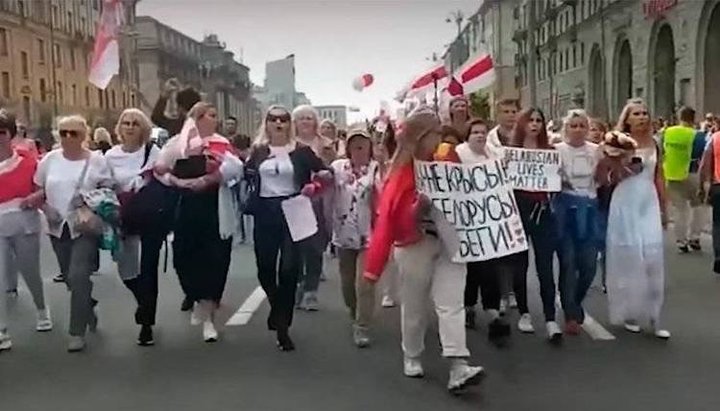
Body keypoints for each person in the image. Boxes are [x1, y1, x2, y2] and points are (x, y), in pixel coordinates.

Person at [364, 106, 484, 394]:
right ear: (420, 137)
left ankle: (458, 365)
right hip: (415, 245)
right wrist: (417, 210)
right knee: (415, 305)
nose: (440, 139)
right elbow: (390, 219)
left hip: (450, 243)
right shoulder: (400, 172)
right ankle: (412, 353)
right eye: (435, 134)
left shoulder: (447, 158)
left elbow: (468, 194)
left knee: (450, 303)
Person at [154, 102, 243, 343]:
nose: (214, 119)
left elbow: (237, 170)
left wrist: (214, 176)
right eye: (209, 115)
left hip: (214, 206)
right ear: (196, 117)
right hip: (185, 206)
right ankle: (195, 297)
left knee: (215, 259)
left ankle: (208, 317)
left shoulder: (221, 143)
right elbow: (159, 170)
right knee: (183, 256)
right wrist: (176, 181)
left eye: (215, 115)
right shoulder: (178, 142)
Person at [244, 105, 329, 351]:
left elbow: (325, 172)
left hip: (293, 208)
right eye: (273, 119)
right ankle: (277, 305)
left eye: (283, 119)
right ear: (267, 123)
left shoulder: (301, 151)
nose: (278, 123)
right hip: (265, 211)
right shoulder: (259, 151)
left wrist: (314, 185)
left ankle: (283, 326)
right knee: (265, 268)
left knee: (290, 269)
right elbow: (246, 174)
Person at [35, 115, 114, 352]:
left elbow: (108, 188)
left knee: (79, 275)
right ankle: (87, 307)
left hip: (84, 227)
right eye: (63, 133)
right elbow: (38, 189)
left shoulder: (96, 161)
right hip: (56, 227)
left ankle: (76, 332)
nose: (68, 138)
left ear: (84, 136)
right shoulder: (49, 160)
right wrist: (46, 207)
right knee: (70, 279)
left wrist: (89, 207)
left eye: (74, 133)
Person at [600, 99, 670, 339]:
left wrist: (664, 208)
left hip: (647, 201)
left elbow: (659, 175)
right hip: (625, 200)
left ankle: (654, 313)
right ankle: (629, 311)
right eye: (636, 114)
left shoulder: (656, 143)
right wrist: (622, 163)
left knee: (652, 254)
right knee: (630, 256)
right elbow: (608, 176)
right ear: (627, 119)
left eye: (645, 113)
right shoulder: (616, 142)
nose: (642, 117)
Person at [105, 109, 163, 346]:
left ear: (143, 129)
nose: (130, 127)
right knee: (127, 270)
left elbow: (160, 176)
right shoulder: (109, 156)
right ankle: (142, 300)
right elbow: (104, 183)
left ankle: (147, 322)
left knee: (148, 268)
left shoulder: (152, 151)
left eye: (135, 124)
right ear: (120, 128)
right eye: (126, 123)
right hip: (122, 217)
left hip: (150, 216)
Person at [0, 109, 52, 352]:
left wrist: (34, 198)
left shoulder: (28, 161)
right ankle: (2, 329)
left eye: (2, 132)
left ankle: (42, 309)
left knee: (30, 272)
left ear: (10, 134)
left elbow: (43, 190)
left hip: (24, 223)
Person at [457, 118, 513, 342]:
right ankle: (468, 307)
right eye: (475, 132)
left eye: (482, 132)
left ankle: (491, 311)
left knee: (490, 267)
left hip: (490, 221)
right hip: (468, 221)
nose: (480, 136)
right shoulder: (459, 154)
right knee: (472, 269)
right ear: (468, 136)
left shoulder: (493, 154)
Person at [508, 108, 560, 341]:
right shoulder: (511, 153)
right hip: (519, 210)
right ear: (522, 124)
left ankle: (550, 318)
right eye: (530, 120)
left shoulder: (550, 151)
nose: (535, 124)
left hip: (543, 211)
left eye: (539, 120)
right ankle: (524, 312)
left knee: (545, 266)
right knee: (519, 265)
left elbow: (558, 183)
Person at [553, 109, 601, 335]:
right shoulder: (556, 150)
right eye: (573, 125)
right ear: (566, 129)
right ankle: (570, 314)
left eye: (582, 125)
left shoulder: (597, 150)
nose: (578, 129)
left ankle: (575, 300)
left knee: (589, 265)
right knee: (568, 262)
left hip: (590, 209)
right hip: (565, 210)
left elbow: (602, 179)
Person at [330, 126, 377, 348]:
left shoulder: (377, 169)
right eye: (354, 142)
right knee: (348, 285)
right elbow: (323, 185)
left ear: (370, 146)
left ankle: (362, 326)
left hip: (370, 235)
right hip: (343, 234)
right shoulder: (338, 168)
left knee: (364, 283)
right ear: (348, 146)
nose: (359, 146)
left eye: (363, 142)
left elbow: (385, 194)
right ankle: (354, 311)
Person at [292, 105, 335, 310]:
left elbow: (333, 171)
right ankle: (300, 283)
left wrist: (320, 179)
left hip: (320, 199)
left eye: (310, 118)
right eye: (301, 118)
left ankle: (311, 290)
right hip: (296, 200)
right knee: (298, 246)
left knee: (316, 245)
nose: (306, 122)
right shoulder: (289, 145)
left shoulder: (325, 144)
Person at [486, 98, 519, 312]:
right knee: (500, 250)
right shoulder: (490, 141)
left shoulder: (524, 137)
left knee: (516, 250)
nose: (510, 115)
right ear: (498, 115)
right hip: (497, 199)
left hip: (520, 198)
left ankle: (514, 290)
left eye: (513, 111)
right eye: (505, 111)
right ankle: (503, 292)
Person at [662, 107, 705, 253]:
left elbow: (662, 151)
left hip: (671, 173)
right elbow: (702, 155)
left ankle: (681, 241)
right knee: (698, 206)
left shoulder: (667, 132)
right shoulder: (697, 135)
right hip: (691, 172)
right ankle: (694, 237)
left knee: (680, 210)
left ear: (679, 116)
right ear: (693, 118)